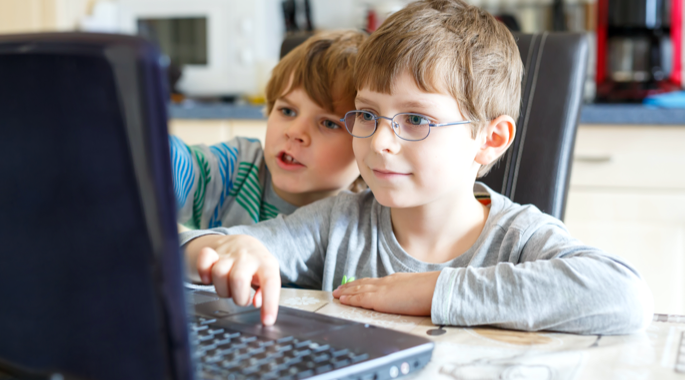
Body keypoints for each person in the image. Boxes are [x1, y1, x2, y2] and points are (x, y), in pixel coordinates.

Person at [179, 0, 653, 335]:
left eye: (416, 120)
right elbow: (240, 249)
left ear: (490, 140)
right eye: (367, 114)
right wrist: (226, 248)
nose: (380, 141)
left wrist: (431, 291)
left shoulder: (519, 238)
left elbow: (625, 296)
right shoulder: (337, 220)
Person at [170, 30, 366, 231]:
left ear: (368, 144)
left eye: (329, 123)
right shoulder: (237, 170)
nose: (294, 131)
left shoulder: (369, 225)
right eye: (287, 111)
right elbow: (170, 166)